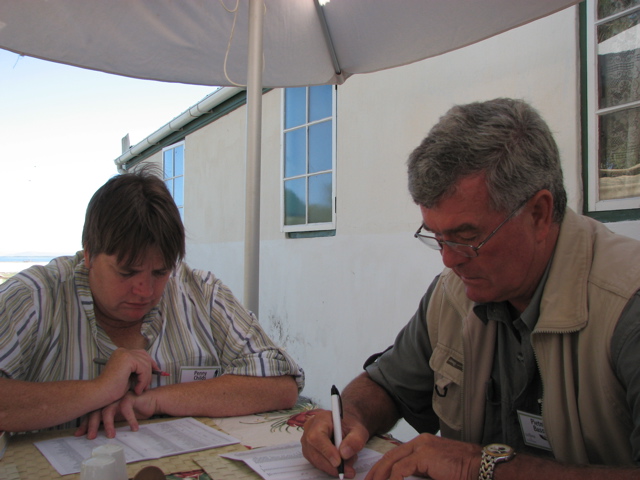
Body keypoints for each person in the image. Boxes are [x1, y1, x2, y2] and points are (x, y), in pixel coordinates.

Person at [301, 98, 640, 479]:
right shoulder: (452, 296)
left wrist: (476, 466)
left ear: (539, 214)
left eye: (467, 237)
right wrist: (349, 417)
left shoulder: (627, 305)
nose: (448, 260)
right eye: (436, 237)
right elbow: (388, 385)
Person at [0, 167, 304, 439]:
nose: (145, 290)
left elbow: (281, 384)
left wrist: (158, 400)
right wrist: (99, 390)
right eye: (127, 271)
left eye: (160, 271)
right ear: (89, 253)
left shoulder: (202, 294)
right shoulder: (36, 296)